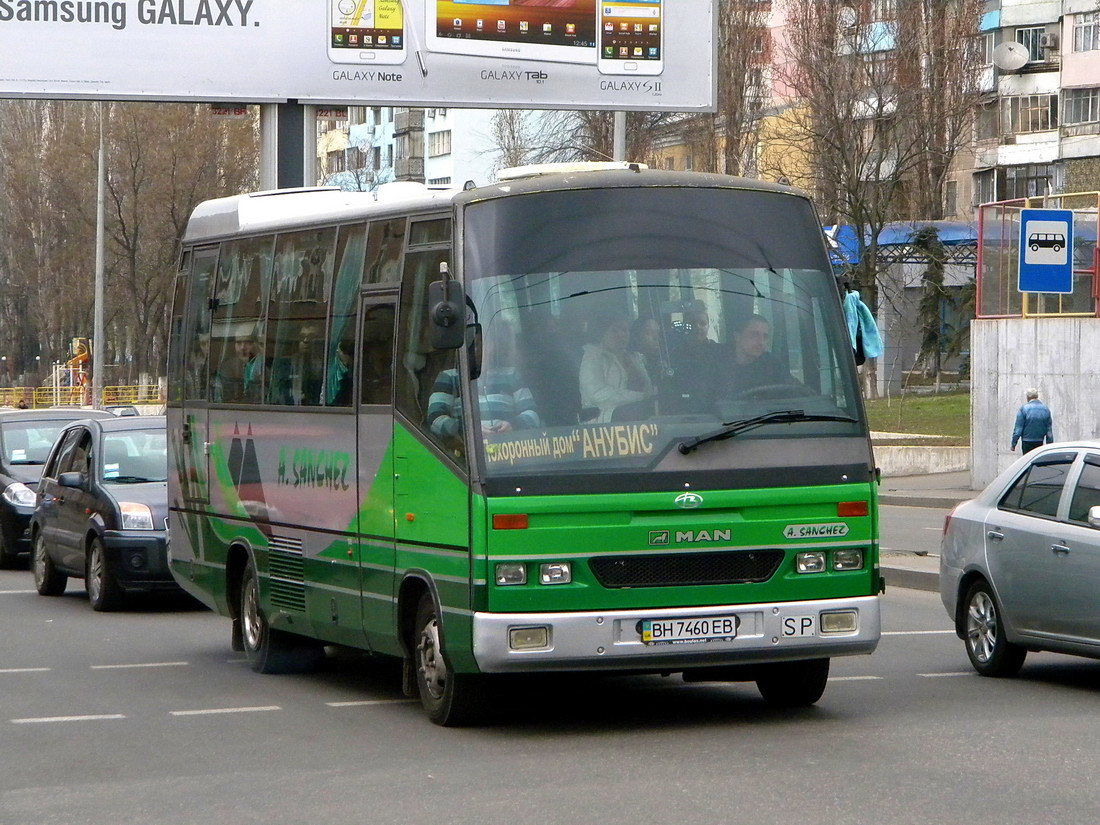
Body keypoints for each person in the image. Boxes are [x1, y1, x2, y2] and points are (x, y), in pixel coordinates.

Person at [427, 321, 542, 442]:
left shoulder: (511, 375)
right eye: (474, 344)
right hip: (466, 453)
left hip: (510, 450)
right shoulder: (449, 377)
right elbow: (435, 419)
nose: (479, 349)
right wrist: (468, 429)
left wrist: (512, 425)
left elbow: (533, 415)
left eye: (484, 343)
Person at [579, 315, 654, 422]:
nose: (621, 335)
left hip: (637, 420)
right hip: (600, 424)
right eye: (615, 331)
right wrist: (640, 397)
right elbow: (596, 394)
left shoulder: (635, 357)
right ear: (602, 333)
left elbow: (648, 390)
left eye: (625, 330)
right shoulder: (592, 355)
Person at [723, 314, 796, 394]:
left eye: (765, 336)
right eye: (754, 335)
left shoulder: (772, 364)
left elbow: (798, 390)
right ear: (737, 336)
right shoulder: (715, 363)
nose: (761, 342)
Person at [1011, 388, 1053, 454]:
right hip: (1039, 442)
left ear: (1028, 397)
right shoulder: (1046, 409)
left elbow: (1018, 430)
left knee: (1028, 462)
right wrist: (1049, 445)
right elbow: (1049, 431)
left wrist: (1013, 444)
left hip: (1026, 442)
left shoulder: (1024, 409)